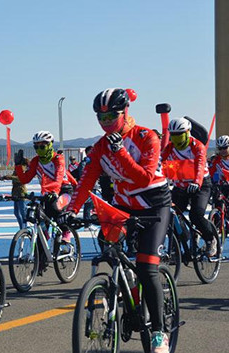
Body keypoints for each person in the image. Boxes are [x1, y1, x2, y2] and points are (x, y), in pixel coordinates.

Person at [60, 88, 172, 353]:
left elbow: (144, 178)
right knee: (108, 249)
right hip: (124, 206)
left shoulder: (147, 137)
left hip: (154, 205)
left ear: (125, 112)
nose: (106, 121)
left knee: (147, 267)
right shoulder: (100, 147)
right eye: (101, 116)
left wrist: (120, 152)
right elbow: (86, 180)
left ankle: (158, 332)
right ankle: (125, 291)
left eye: (111, 115)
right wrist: (72, 210)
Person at [162, 118, 217, 256]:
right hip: (180, 186)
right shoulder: (170, 147)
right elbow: (159, 163)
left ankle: (211, 239)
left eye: (179, 135)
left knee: (196, 214)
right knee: (170, 215)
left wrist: (196, 182)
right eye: (173, 135)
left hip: (201, 185)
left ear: (187, 133)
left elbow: (199, 165)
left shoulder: (197, 146)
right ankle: (182, 242)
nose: (176, 139)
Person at [14, 131, 70, 228]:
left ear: (49, 145)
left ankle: (66, 234)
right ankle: (41, 241)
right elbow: (25, 179)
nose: (39, 150)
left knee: (57, 212)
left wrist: (54, 192)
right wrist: (18, 165)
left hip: (63, 190)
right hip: (47, 193)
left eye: (42, 147)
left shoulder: (58, 158)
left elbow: (58, 179)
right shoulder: (36, 161)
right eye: (36, 147)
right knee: (39, 219)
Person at [2, 158, 29, 229]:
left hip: (21, 193)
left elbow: (20, 178)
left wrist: (9, 177)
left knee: (23, 213)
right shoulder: (17, 169)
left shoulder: (22, 169)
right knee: (16, 212)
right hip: (16, 193)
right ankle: (22, 228)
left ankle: (24, 228)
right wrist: (6, 177)